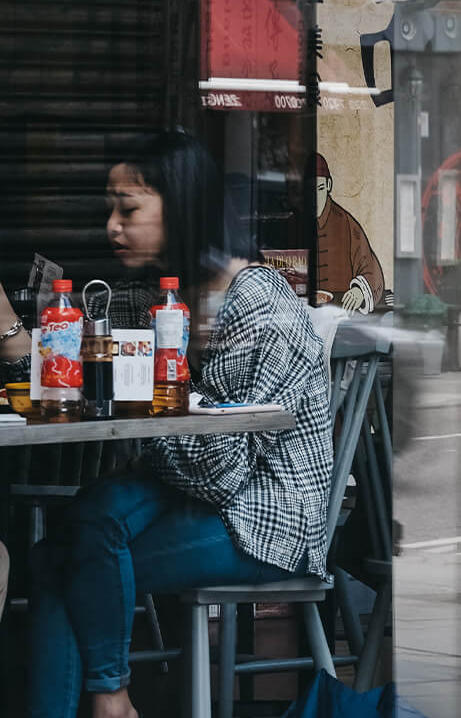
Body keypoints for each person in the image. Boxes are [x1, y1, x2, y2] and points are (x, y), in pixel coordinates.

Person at [30, 130, 331, 718]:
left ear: (182, 206)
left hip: (266, 518)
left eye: (129, 209)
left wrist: (143, 391)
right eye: (110, 210)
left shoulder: (258, 311)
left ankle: (110, 697)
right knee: (70, 539)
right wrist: (19, 332)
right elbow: (66, 348)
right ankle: (109, 697)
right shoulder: (171, 297)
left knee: (69, 561)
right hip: (194, 494)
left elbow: (219, 473)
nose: (112, 227)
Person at [314, 153, 387, 312]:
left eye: (319, 188)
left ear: (328, 185)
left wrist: (359, 291)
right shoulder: (294, 223)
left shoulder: (346, 223)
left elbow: (371, 269)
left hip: (340, 313)